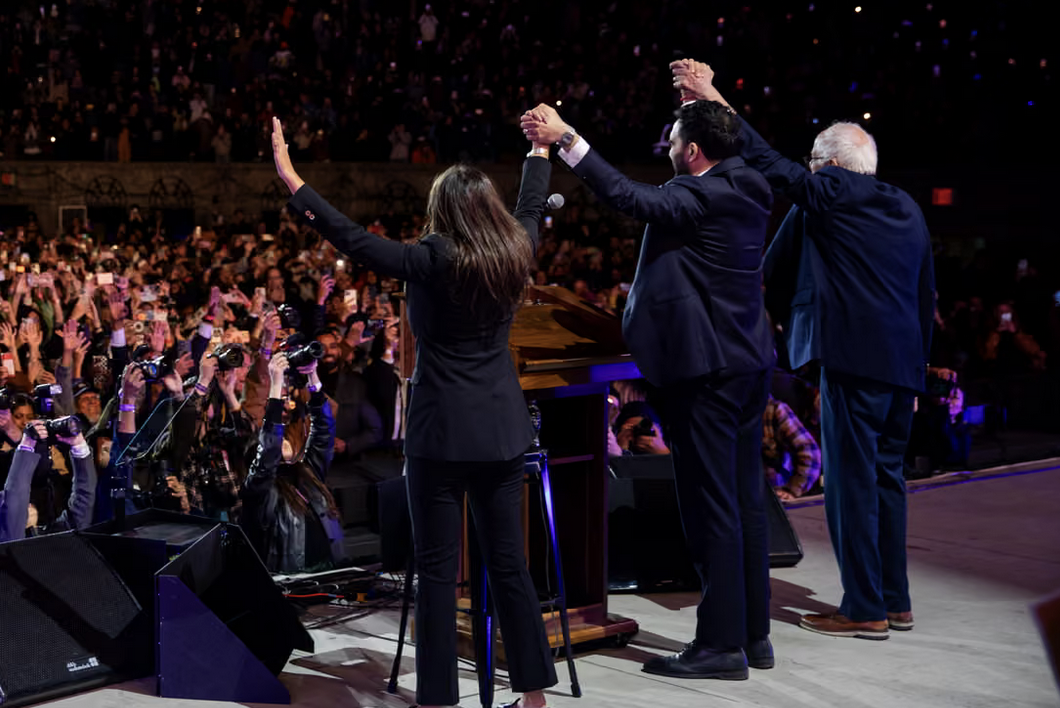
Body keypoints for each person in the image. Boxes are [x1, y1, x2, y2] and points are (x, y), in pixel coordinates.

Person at [271, 116, 558, 708]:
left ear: (443, 212)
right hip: (502, 430)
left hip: (441, 434)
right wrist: (537, 150)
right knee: (510, 567)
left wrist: (293, 179)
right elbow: (530, 205)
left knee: (435, 569)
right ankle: (534, 698)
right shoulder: (517, 250)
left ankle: (437, 701)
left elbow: (350, 236)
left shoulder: (430, 259)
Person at [672, 60, 935, 639]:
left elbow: (772, 164)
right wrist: (917, 374)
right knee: (888, 481)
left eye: (817, 164)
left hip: (854, 361)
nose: (812, 173)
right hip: (900, 369)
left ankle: (864, 608)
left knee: (849, 484)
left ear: (835, 166)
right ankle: (896, 601)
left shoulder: (837, 187)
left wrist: (714, 97)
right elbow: (924, 296)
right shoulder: (908, 207)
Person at [522, 98, 775, 679]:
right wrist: (703, 98)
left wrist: (566, 139)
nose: (666, 150)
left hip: (705, 372)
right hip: (746, 363)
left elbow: (629, 197)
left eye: (674, 140)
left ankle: (719, 648)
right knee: (745, 504)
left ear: (692, 150)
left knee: (713, 510)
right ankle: (752, 636)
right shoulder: (751, 184)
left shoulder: (698, 193)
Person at [241, 352, 342, 573]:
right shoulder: (260, 489)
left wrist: (313, 379)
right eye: (278, 440)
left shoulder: (306, 474)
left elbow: (324, 432)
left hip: (329, 572)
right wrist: (276, 386)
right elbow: (268, 450)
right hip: (292, 580)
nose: (283, 439)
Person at [0, 420, 96, 542]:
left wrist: (79, 446)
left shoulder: (51, 537)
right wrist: (27, 445)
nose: (27, 504)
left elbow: (82, 509)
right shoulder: (9, 546)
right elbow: (14, 505)